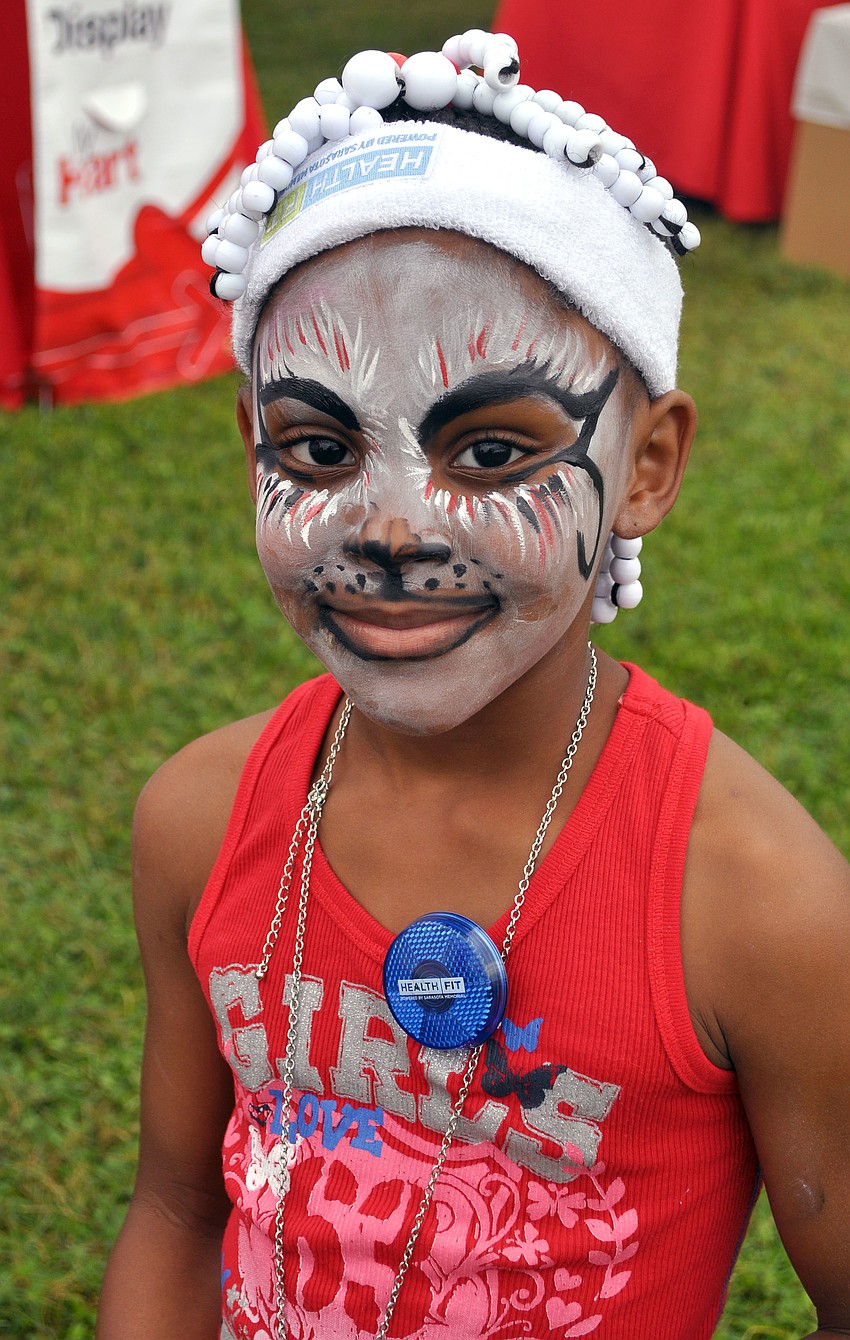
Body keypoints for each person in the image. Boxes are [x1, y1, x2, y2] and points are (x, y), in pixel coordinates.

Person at [96, 29, 850, 1340]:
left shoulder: (757, 906)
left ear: (651, 463)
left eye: (493, 449)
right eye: (317, 447)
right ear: (250, 447)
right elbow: (175, 1206)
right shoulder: (199, 821)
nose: (389, 525)